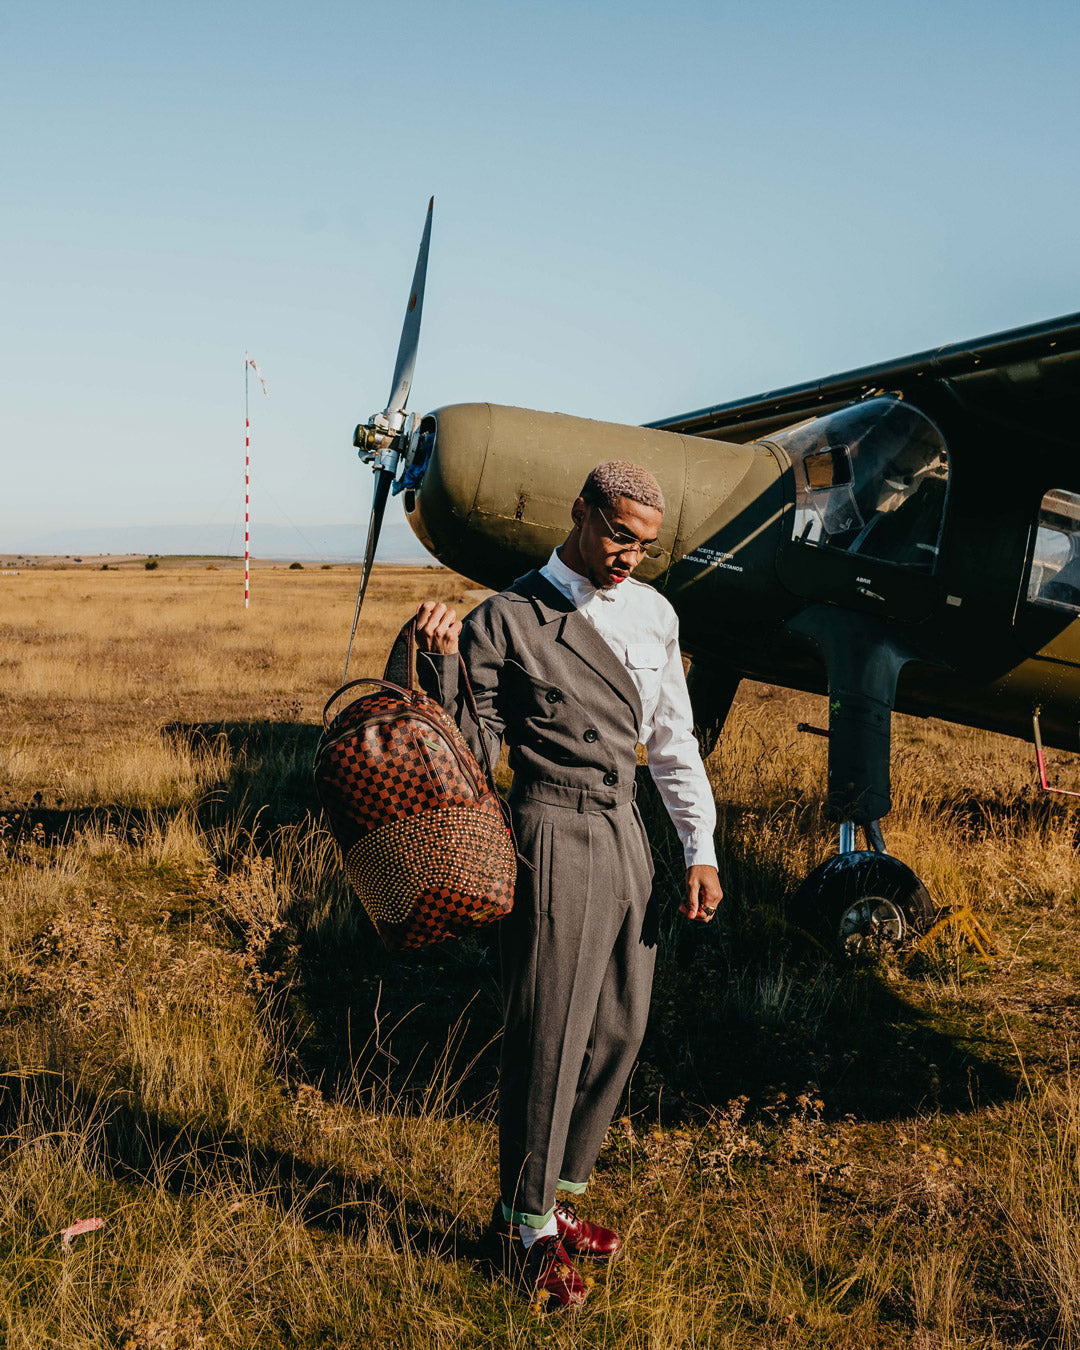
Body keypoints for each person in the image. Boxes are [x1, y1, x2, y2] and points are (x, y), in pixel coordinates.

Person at [415, 460, 722, 1310]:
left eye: (645, 544)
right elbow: (467, 758)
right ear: (581, 514)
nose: (630, 555)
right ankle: (522, 1232)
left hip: (628, 830)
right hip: (550, 829)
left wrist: (700, 846)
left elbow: (671, 740)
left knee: (619, 1026)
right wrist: (441, 661)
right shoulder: (506, 619)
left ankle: (557, 1198)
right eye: (619, 534)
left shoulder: (654, 614)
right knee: (550, 1034)